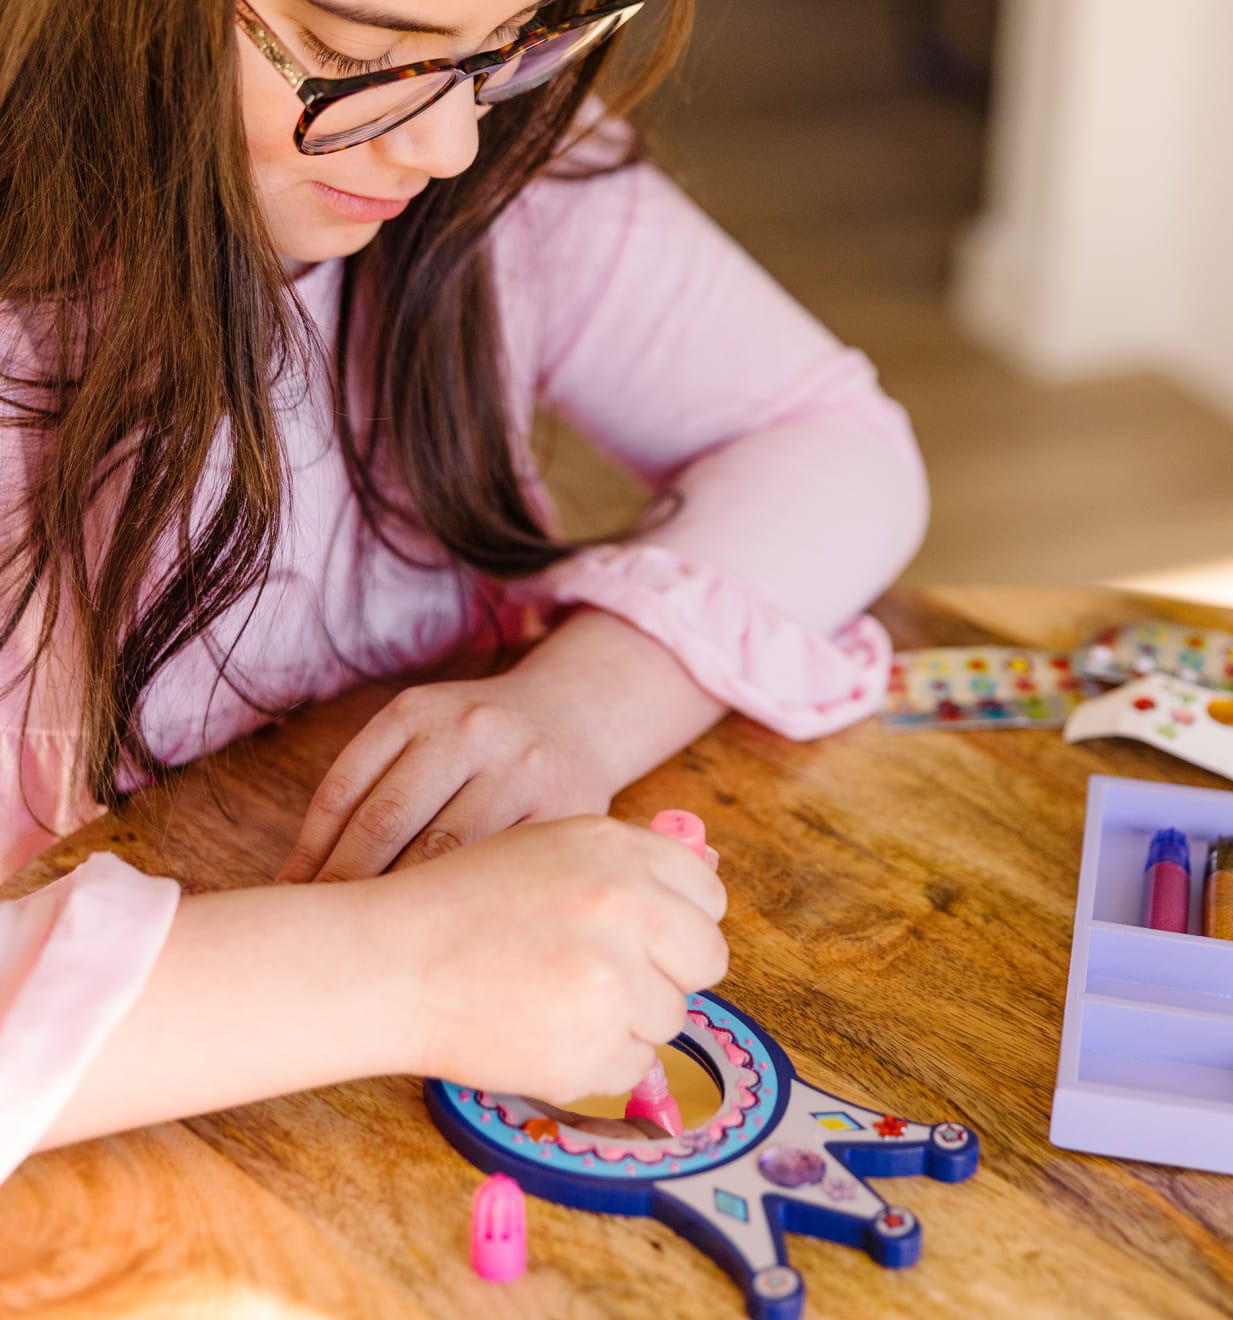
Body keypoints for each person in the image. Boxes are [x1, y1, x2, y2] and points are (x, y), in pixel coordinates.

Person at [0, 0, 928, 1183]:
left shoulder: (493, 158)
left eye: (515, 38)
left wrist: (584, 708)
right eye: (354, 55)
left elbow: (831, 441)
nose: (450, 147)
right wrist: (405, 967)